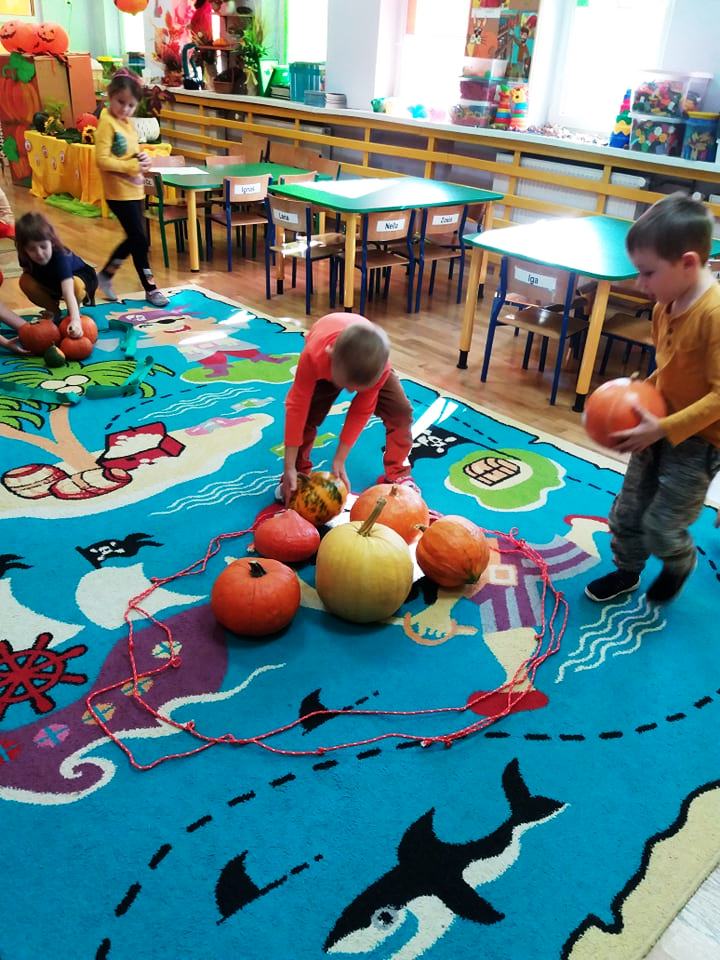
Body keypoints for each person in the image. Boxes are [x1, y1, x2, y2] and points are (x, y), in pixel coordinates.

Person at [586, 192, 720, 604]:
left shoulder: (714, 316)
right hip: (655, 424)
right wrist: (637, 393)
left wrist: (664, 427)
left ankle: (680, 560)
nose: (640, 284)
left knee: (663, 524)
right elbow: (671, 365)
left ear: (688, 263)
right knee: (627, 511)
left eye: (648, 273)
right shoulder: (665, 305)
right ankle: (627, 571)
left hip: (700, 442)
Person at [279, 312, 415, 504]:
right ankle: (298, 472)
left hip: (367, 366)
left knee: (400, 412)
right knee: (308, 414)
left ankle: (398, 473)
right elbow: (297, 407)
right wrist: (288, 467)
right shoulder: (314, 356)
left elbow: (360, 411)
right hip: (328, 354)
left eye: (356, 388)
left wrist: (339, 460)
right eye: (346, 384)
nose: (350, 391)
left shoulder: (379, 369)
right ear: (331, 356)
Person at [94, 71, 168, 308]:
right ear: (110, 96)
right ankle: (150, 288)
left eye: (131, 105)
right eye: (121, 102)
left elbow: (130, 152)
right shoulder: (107, 123)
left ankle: (105, 275)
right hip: (118, 193)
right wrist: (131, 166)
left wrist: (142, 158)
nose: (125, 109)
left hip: (134, 191)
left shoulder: (125, 123)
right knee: (139, 240)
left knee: (137, 239)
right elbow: (102, 160)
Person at [15, 212, 97, 337]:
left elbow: (68, 291)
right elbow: (31, 277)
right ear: (24, 249)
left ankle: (72, 313)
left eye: (43, 246)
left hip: (80, 277)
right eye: (32, 249)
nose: (39, 253)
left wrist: (75, 320)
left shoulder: (61, 256)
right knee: (25, 281)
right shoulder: (24, 256)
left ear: (52, 242)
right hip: (53, 281)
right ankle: (54, 312)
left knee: (75, 286)